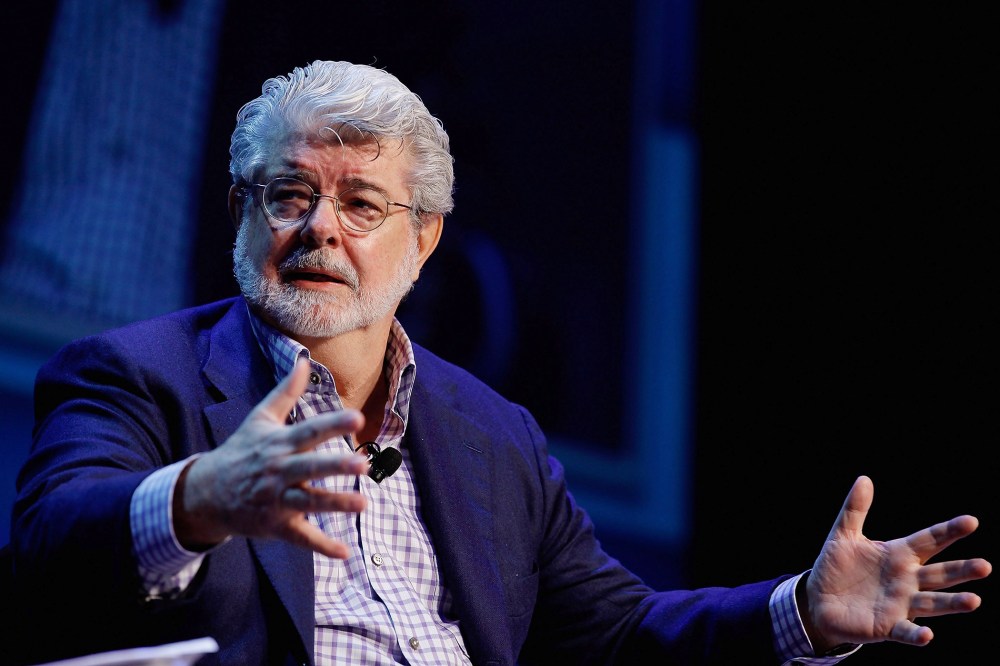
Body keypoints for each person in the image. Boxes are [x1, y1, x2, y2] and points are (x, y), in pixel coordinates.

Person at [8, 60, 991, 666]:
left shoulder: (493, 435)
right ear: (241, 213)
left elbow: (612, 638)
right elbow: (49, 544)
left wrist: (798, 616)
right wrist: (197, 497)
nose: (318, 229)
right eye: (287, 193)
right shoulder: (138, 376)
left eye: (361, 205)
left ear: (424, 241)